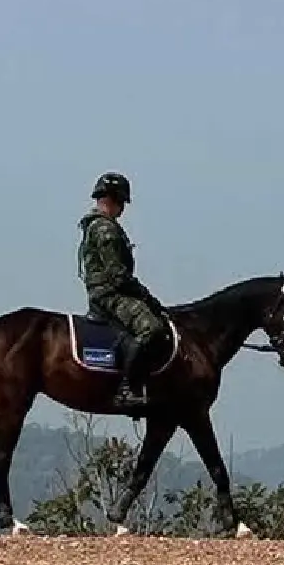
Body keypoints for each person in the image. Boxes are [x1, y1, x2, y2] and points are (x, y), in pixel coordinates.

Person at [77, 171, 169, 408]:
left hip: (105, 291)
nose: (123, 209)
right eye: (122, 202)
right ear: (114, 199)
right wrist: (146, 296)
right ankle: (127, 389)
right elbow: (118, 275)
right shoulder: (105, 229)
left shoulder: (97, 225)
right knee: (151, 328)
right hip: (109, 294)